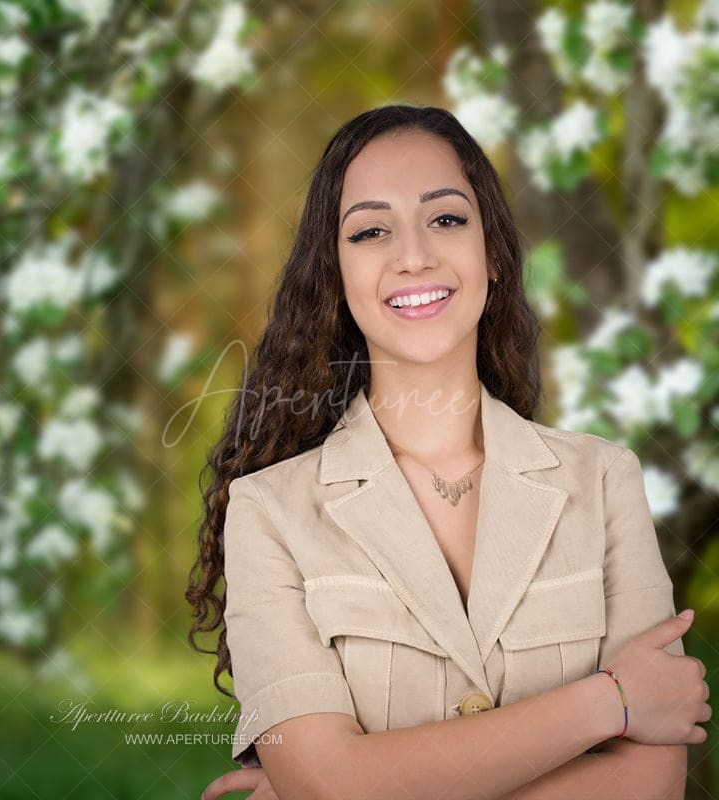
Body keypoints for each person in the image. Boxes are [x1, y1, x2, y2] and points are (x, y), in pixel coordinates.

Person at [186, 104, 711, 800]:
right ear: (335, 275)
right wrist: (610, 702)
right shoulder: (268, 513)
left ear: (491, 252)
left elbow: (651, 785)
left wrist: (359, 783)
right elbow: (330, 787)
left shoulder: (605, 480)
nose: (413, 256)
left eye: (446, 218)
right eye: (371, 231)